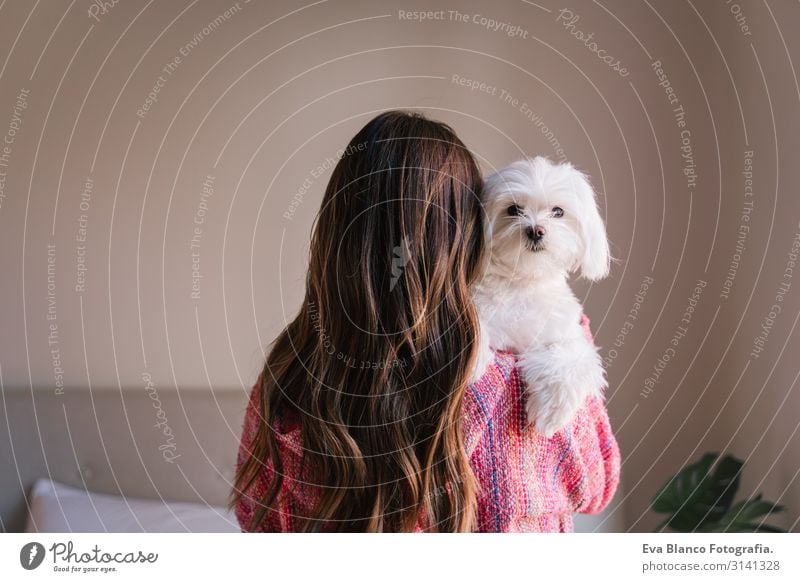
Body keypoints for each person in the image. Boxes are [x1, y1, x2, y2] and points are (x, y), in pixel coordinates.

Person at [231, 110, 620, 532]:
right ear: (461, 234)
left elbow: (256, 516)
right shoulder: (510, 384)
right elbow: (597, 485)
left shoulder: (288, 373)